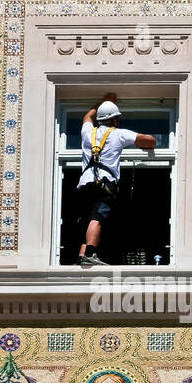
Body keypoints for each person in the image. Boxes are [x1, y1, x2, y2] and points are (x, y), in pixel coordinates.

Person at [77, 93, 157, 267]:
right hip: (104, 183)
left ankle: (82, 256)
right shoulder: (119, 134)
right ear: (114, 120)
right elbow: (148, 141)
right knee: (97, 218)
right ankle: (90, 254)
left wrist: (101, 101)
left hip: (84, 183)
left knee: (87, 219)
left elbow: (87, 116)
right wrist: (153, 141)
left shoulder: (87, 132)